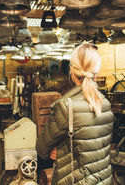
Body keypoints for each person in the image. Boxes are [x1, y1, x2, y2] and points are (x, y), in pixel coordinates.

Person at [36, 42, 114, 185]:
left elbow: (41, 148)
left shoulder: (66, 106)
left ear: (72, 71)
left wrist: (59, 152)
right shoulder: (105, 104)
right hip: (104, 180)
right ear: (97, 72)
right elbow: (95, 148)